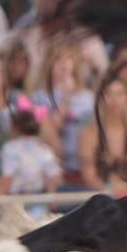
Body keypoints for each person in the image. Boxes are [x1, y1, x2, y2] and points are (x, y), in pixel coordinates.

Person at [29, 42, 96, 188]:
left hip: (84, 167)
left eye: (69, 59)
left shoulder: (88, 98)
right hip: (54, 169)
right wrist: (65, 98)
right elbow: (48, 132)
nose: (64, 64)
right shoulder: (38, 98)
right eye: (58, 59)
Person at [79, 78, 127, 197]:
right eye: (109, 94)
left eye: (120, 94)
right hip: (100, 196)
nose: (114, 99)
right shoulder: (89, 132)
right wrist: (110, 192)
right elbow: (88, 174)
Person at [0, 109, 63, 198]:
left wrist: (1, 197)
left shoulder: (10, 148)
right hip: (39, 201)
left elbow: (7, 177)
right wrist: (52, 200)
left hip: (15, 201)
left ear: (15, 128)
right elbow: (52, 178)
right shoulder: (45, 150)